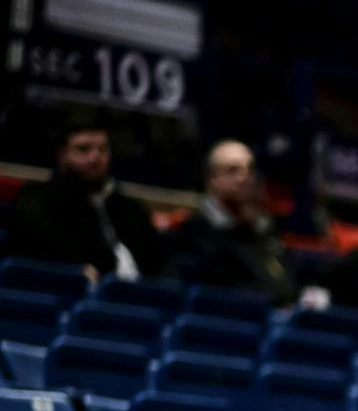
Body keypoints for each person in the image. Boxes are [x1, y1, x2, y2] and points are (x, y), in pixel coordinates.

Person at [6, 112, 165, 280]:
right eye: (83, 149)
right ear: (62, 155)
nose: (94, 157)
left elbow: (157, 262)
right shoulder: (39, 201)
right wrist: (75, 269)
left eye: (102, 149)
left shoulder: (131, 209)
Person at [162, 140, 300, 304]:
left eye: (249, 169)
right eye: (232, 170)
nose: (244, 177)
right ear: (211, 179)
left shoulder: (265, 229)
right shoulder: (194, 232)